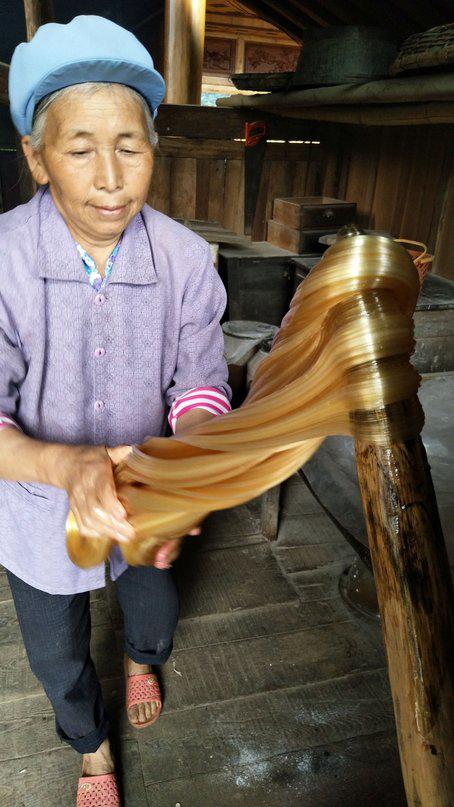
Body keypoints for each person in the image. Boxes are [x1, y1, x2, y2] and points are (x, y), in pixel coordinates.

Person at [1, 15, 231, 806]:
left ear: (154, 149)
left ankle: (141, 658)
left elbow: (200, 386)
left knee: (154, 605)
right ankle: (91, 744)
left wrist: (188, 459)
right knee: (55, 653)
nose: (110, 178)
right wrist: (65, 465)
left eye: (129, 146)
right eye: (79, 149)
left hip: (146, 499)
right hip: (36, 509)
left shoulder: (186, 259)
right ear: (37, 157)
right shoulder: (5, 260)